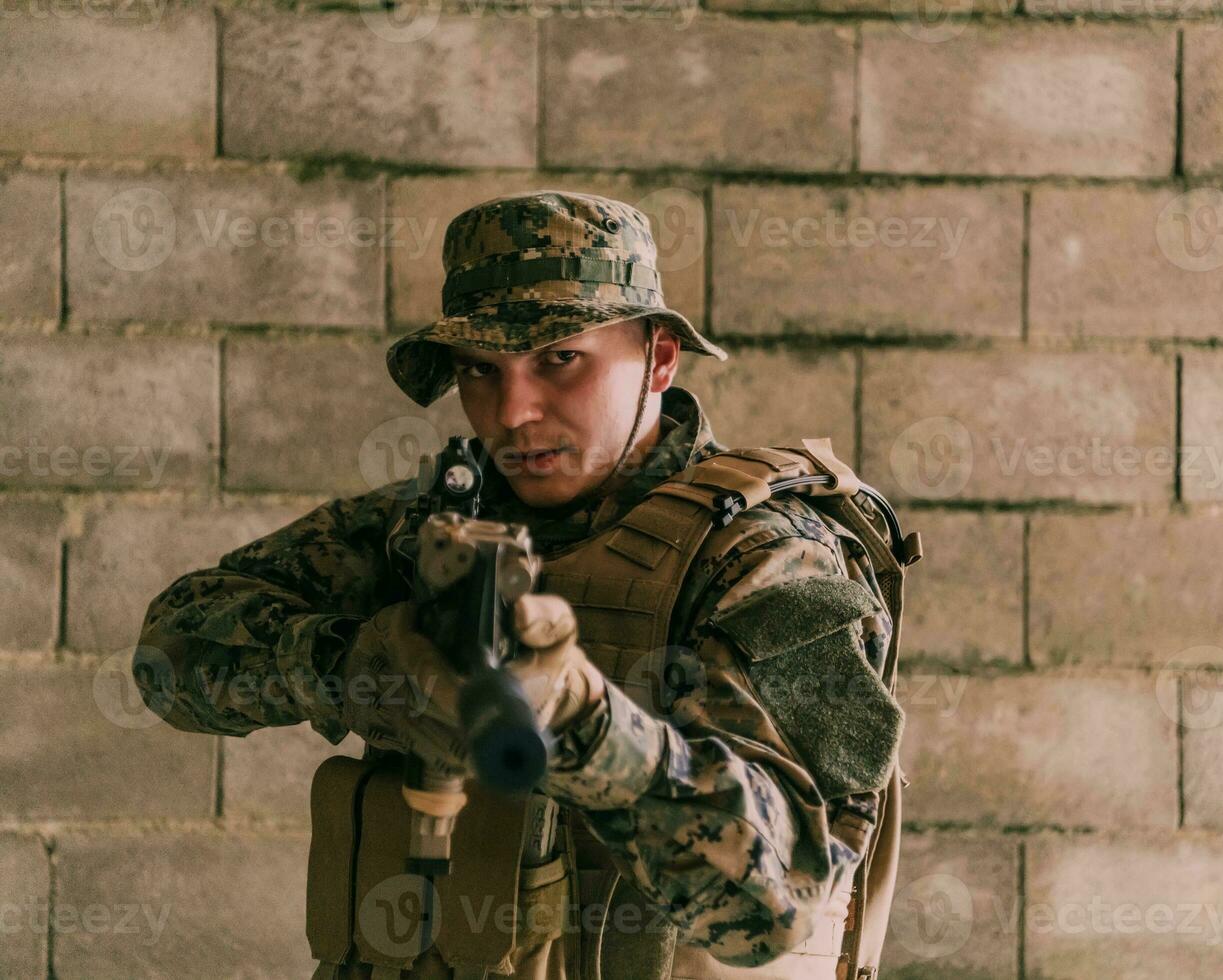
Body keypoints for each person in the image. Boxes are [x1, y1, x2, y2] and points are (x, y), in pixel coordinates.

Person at [133, 191, 919, 980]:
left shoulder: (767, 559)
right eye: (481, 370)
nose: (512, 412)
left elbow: (775, 904)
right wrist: (352, 669)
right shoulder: (436, 526)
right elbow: (172, 651)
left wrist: (584, 724)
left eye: (560, 359)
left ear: (659, 358)